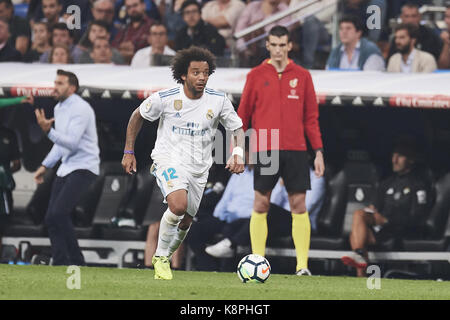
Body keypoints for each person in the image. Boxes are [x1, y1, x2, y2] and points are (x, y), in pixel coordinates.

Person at [121, 46, 245, 280]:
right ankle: (160, 258)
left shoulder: (218, 100)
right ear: (183, 75)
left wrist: (237, 152)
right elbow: (137, 116)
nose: (202, 77)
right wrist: (129, 150)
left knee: (186, 220)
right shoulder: (166, 98)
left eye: (206, 73)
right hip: (168, 160)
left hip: (199, 169)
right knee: (177, 205)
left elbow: (236, 128)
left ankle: (165, 256)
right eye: (196, 72)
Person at [237, 25, 325, 276]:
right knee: (261, 203)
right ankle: (258, 262)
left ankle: (302, 266)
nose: (277, 49)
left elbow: (311, 118)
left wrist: (318, 151)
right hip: (266, 145)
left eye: (282, 44)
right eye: (273, 44)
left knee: (299, 205)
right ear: (267, 45)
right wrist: (238, 149)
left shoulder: (303, 75)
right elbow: (243, 115)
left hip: (296, 148)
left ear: (290, 45)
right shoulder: (255, 75)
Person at [32, 69, 100, 266]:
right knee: (51, 217)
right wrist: (45, 165)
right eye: (55, 82)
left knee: (59, 213)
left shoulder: (81, 108)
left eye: (60, 83)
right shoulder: (60, 108)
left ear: (72, 88)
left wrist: (48, 131)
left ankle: (77, 261)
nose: (55, 87)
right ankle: (60, 263)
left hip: (84, 166)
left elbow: (72, 142)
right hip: (67, 166)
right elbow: (61, 145)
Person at [341, 139, 431, 277]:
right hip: (382, 231)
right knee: (359, 218)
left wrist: (387, 220)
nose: (394, 160)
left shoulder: (418, 184)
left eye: (399, 156)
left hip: (402, 230)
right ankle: (360, 260)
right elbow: (374, 207)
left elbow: (418, 217)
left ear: (411, 159)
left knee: (357, 232)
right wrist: (373, 214)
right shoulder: (386, 183)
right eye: (393, 156)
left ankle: (360, 269)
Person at [234, 0, 292, 67]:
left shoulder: (285, 9)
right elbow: (239, 32)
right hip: (250, 50)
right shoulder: (253, 6)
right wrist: (244, 49)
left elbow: (280, 35)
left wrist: (267, 15)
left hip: (273, 51)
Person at [111, 0, 155, 65]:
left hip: (145, 63)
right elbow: (114, 46)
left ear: (143, 5)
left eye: (135, 5)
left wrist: (133, 47)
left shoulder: (153, 26)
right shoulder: (125, 28)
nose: (132, 9)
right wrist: (122, 47)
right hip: (123, 64)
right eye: (129, 7)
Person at [438, 4, 450, 69]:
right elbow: (442, 68)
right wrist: (446, 43)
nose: (446, 21)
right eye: (446, 17)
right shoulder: (443, 37)